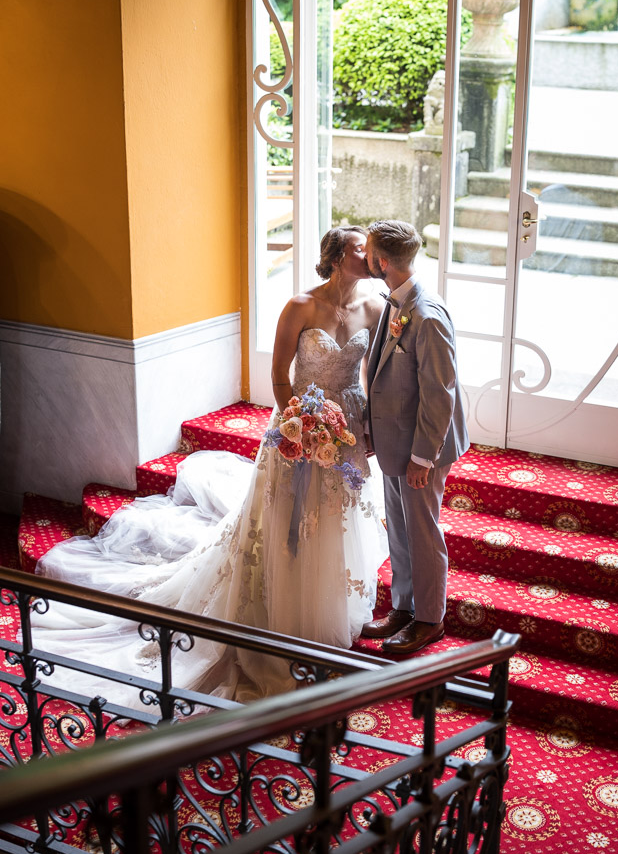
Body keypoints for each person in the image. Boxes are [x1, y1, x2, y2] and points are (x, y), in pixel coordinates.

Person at [31, 227, 387, 706]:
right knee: (287, 521)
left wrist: (365, 431)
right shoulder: (300, 306)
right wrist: (301, 423)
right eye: (360, 247)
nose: (369, 254)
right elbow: (280, 376)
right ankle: (278, 617)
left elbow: (373, 376)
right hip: (298, 429)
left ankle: (323, 611)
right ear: (337, 255)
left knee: (333, 518)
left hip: (346, 427)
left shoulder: (376, 305)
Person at [362, 220, 469, 654]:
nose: (365, 257)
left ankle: (429, 618)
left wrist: (423, 458)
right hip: (394, 441)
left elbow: (439, 394)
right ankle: (404, 607)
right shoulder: (396, 300)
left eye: (368, 252)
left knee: (422, 531)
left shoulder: (426, 315)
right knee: (400, 530)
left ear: (382, 261)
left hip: (422, 446)